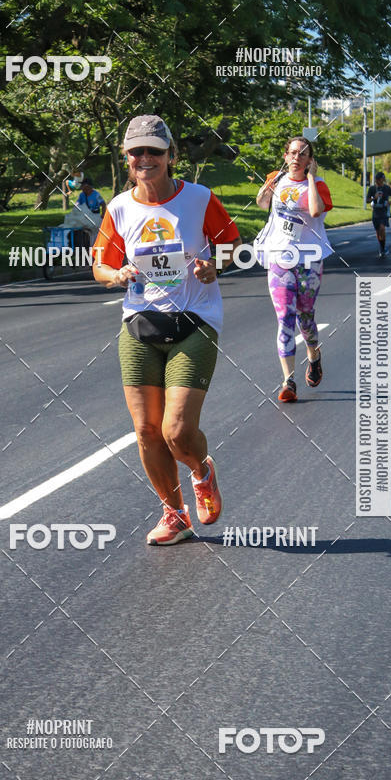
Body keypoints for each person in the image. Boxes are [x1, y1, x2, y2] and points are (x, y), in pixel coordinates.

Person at [92, 114, 241, 546]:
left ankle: (201, 471)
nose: (145, 158)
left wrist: (217, 265)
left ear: (170, 156)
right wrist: (115, 275)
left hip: (194, 321)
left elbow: (232, 242)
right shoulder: (119, 207)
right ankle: (175, 515)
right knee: (146, 431)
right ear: (126, 157)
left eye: (154, 151)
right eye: (136, 151)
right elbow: (99, 263)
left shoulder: (198, 199)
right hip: (139, 324)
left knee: (177, 432)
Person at [255, 136, 333, 403]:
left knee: (305, 317)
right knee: (285, 318)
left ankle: (314, 355)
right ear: (285, 156)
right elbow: (262, 204)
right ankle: (288, 380)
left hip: (309, 260)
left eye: (303, 154)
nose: (297, 157)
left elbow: (314, 211)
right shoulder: (276, 179)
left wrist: (311, 179)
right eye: (292, 153)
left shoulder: (319, 186)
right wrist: (270, 184)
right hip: (280, 257)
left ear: (310, 160)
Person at [366, 172, 391, 256]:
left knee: (382, 228)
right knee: (378, 231)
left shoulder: (386, 188)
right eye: (378, 179)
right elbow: (367, 200)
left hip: (384, 211)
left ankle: (383, 248)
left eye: (381, 179)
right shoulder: (372, 188)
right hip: (375, 211)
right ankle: (381, 246)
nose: (380, 181)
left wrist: (390, 202)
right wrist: (373, 198)